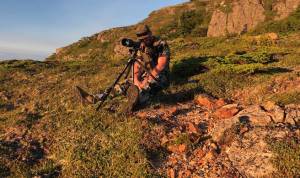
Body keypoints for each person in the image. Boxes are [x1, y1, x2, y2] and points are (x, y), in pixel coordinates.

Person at [76, 25, 170, 112]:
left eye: (146, 38)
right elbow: (137, 64)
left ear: (150, 34)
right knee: (124, 84)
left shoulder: (160, 44)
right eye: (141, 39)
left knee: (147, 87)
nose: (144, 41)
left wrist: (146, 80)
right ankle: (92, 99)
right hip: (146, 73)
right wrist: (136, 80)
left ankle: (135, 102)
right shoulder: (141, 46)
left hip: (160, 75)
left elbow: (161, 65)